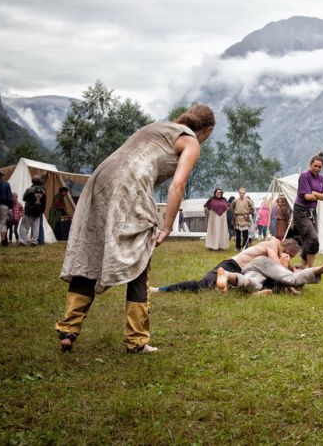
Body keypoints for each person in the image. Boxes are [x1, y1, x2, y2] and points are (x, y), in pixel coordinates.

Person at [54, 104, 216, 354]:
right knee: (140, 263)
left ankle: (68, 330)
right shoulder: (191, 141)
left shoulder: (158, 126)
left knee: (90, 254)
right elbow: (178, 184)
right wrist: (167, 225)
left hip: (99, 179)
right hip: (128, 185)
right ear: (208, 129)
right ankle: (136, 340)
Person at [151, 237, 301, 292]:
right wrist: (284, 263)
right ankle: (160, 289)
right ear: (286, 249)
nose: (289, 258)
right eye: (290, 255)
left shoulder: (274, 246)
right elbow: (276, 266)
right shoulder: (272, 245)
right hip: (231, 266)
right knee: (201, 286)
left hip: (240, 273)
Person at [216, 254, 323, 296]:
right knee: (292, 279)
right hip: (262, 263)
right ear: (295, 268)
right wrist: (285, 263)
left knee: (252, 284)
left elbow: (283, 287)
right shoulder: (284, 269)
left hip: (251, 269)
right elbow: (291, 280)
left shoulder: (278, 281)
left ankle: (227, 275)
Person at [293, 151, 323, 267]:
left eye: (319, 167)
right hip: (301, 211)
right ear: (310, 164)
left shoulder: (321, 179)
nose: (317, 168)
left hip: (312, 212)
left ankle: (302, 267)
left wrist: (315, 193)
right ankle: (311, 269)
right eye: (315, 166)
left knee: (309, 240)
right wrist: (318, 195)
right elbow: (307, 196)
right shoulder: (304, 176)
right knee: (313, 238)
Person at [19, 176, 47, 246]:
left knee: (24, 226)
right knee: (36, 227)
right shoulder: (43, 191)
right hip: (38, 211)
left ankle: (23, 241)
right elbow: (44, 202)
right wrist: (42, 210)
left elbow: (24, 198)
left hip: (29, 210)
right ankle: (34, 242)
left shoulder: (29, 190)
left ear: (32, 182)